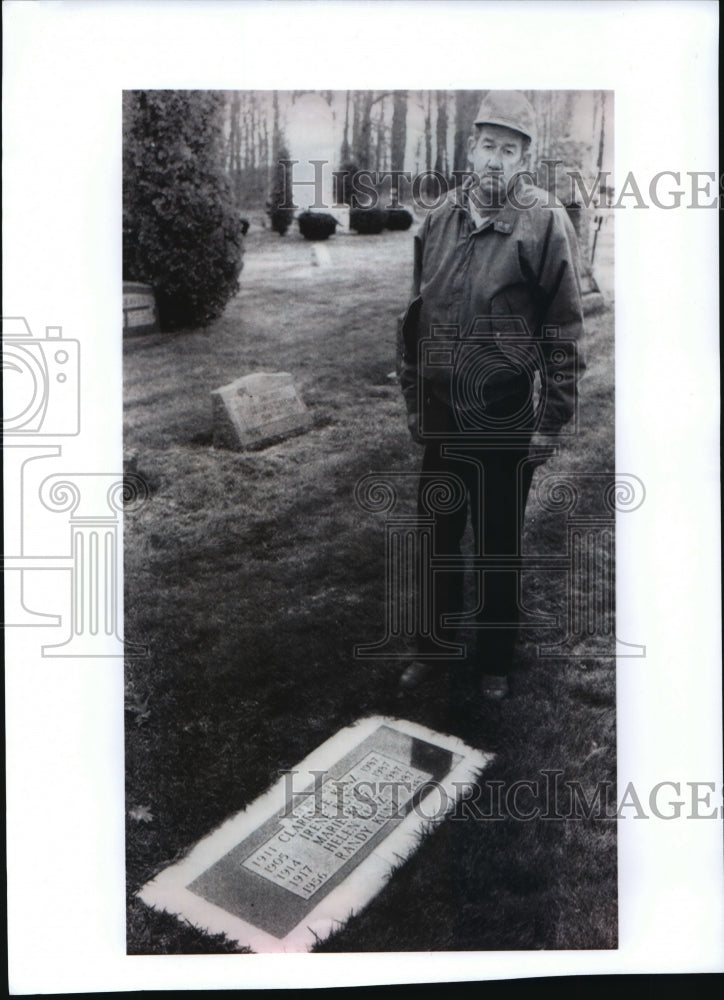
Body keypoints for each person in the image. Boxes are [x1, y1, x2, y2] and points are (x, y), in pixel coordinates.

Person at [398, 90, 585, 700]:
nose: (496, 160)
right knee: (437, 536)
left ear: (525, 158)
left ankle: (495, 661)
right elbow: (415, 314)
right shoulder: (442, 217)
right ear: (470, 150)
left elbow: (563, 325)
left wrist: (552, 418)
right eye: (487, 146)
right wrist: (413, 396)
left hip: (504, 413)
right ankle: (434, 648)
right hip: (444, 412)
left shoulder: (545, 220)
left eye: (510, 149)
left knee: (497, 543)